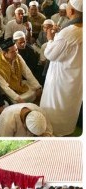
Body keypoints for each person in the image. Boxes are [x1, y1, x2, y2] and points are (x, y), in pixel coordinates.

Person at [40, 0, 82, 136]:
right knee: (70, 106)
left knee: (56, 107)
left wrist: (50, 38)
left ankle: (55, 131)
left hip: (61, 79)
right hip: (76, 78)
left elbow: (50, 53)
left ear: (71, 11)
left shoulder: (69, 32)